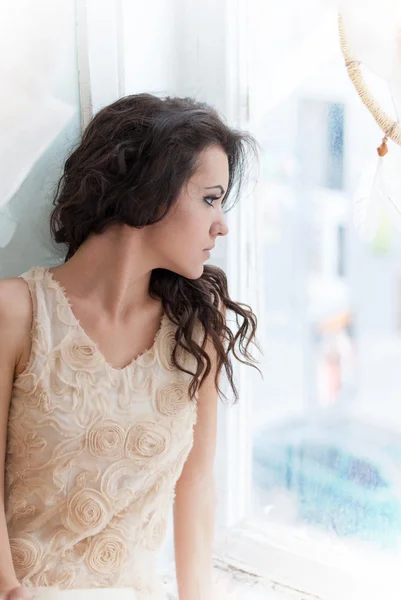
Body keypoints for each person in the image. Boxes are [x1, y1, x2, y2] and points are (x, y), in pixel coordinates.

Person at [0, 93, 259, 600]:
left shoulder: (195, 334)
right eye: (210, 197)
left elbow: (196, 487)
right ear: (152, 190)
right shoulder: (17, 312)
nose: (221, 223)